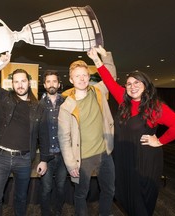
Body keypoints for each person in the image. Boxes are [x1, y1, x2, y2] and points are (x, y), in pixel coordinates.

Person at [88, 46, 175, 216]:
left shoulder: (155, 107)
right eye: (129, 84)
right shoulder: (123, 100)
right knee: (125, 197)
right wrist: (97, 60)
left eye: (137, 83)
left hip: (144, 161)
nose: (132, 87)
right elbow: (110, 82)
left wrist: (160, 141)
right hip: (123, 158)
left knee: (141, 200)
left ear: (146, 86)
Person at [0, 53, 51, 216]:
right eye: (16, 81)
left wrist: (44, 160)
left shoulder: (38, 107)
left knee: (21, 198)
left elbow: (44, 135)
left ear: (29, 83)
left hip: (24, 159)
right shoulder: (5, 98)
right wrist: (0, 64)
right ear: (12, 84)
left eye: (23, 81)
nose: (20, 85)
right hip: (1, 157)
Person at [58, 54, 117, 216]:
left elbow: (111, 76)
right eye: (77, 76)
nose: (82, 79)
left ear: (89, 76)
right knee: (81, 194)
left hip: (105, 153)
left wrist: (104, 57)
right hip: (82, 158)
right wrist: (70, 164)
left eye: (84, 75)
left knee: (109, 190)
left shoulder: (98, 91)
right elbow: (64, 138)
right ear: (71, 80)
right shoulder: (66, 106)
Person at [39, 70, 68, 216]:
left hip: (64, 155)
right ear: (44, 85)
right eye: (48, 81)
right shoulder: (38, 105)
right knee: (46, 188)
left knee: (61, 187)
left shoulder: (67, 103)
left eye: (54, 81)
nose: (52, 84)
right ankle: (45, 213)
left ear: (59, 84)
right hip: (46, 155)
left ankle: (58, 211)